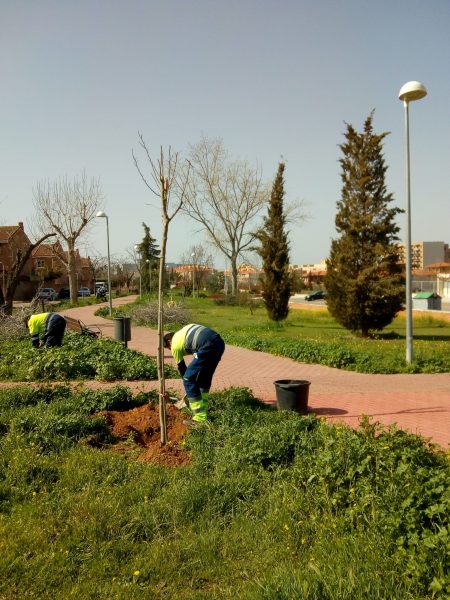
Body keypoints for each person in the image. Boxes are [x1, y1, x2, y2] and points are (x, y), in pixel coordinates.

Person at [163, 324, 225, 425]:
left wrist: (190, 389)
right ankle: (203, 411)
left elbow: (182, 369)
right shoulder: (182, 332)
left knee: (188, 379)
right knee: (204, 379)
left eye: (167, 347)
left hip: (207, 345)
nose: (169, 349)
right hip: (219, 344)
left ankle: (199, 418)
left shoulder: (174, 345)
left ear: (169, 341)